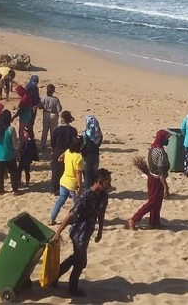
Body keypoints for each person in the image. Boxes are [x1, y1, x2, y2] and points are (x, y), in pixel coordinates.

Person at [51, 168, 111, 297]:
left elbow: (101, 214)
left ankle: (54, 277)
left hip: (87, 232)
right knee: (80, 261)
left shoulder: (103, 196)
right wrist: (58, 232)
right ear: (99, 182)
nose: (110, 185)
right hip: (78, 233)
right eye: (107, 182)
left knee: (78, 259)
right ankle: (72, 287)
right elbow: (70, 216)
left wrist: (100, 231)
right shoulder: (85, 196)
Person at [129, 130, 170, 230]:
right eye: (167, 138)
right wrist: (166, 188)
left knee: (157, 201)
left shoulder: (153, 148)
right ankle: (134, 219)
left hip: (152, 178)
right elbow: (161, 174)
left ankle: (154, 222)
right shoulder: (159, 152)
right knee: (153, 202)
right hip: (156, 180)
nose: (168, 140)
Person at [49, 136, 84, 226]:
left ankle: (52, 219)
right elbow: (78, 173)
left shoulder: (68, 151)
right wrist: (79, 185)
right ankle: (77, 220)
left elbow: (60, 158)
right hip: (72, 183)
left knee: (60, 200)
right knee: (77, 203)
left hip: (64, 180)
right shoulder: (79, 157)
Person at [0, 110, 21, 196]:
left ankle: (0, 190)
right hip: (9, 154)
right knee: (13, 172)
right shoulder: (10, 129)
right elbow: (15, 143)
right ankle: (15, 190)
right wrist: (17, 152)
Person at [51, 111, 78, 196]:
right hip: (69, 152)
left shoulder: (56, 130)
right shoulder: (73, 130)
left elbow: (52, 143)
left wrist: (52, 151)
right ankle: (68, 189)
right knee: (69, 171)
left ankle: (55, 189)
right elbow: (75, 143)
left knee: (56, 172)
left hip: (58, 151)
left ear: (62, 119)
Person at [82, 115, 103, 191]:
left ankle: (88, 191)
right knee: (94, 175)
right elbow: (99, 144)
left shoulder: (85, 134)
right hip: (95, 156)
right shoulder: (99, 134)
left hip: (86, 157)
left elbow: (82, 146)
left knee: (87, 177)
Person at [40, 84, 62, 150]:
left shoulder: (44, 98)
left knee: (45, 130)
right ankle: (53, 145)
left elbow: (40, 106)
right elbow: (59, 109)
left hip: (46, 114)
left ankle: (43, 145)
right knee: (53, 131)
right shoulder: (55, 99)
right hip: (53, 115)